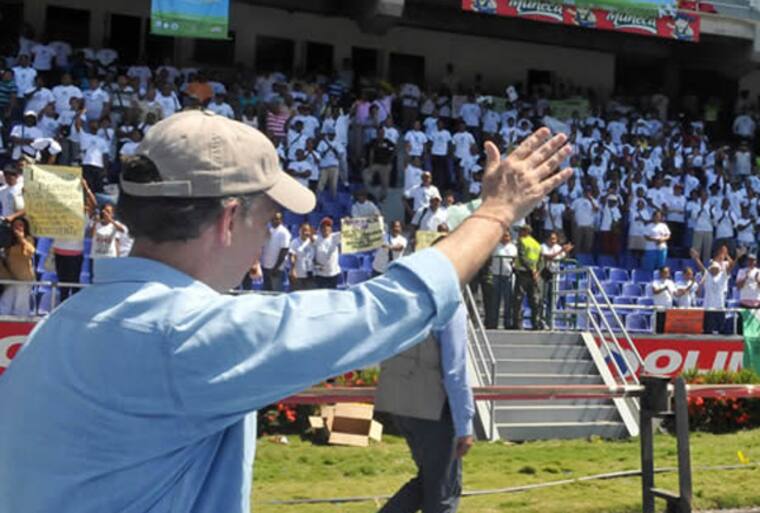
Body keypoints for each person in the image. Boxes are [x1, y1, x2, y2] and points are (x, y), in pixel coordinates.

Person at [0, 111, 572, 513]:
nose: (267, 235)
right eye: (267, 219)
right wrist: (496, 212)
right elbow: (389, 307)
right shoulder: (186, 335)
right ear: (230, 220)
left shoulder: (59, 326)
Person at [375, 303, 474, 513]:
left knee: (431, 481)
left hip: (401, 403)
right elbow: (455, 370)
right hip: (433, 407)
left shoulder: (409, 297)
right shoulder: (451, 305)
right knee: (443, 493)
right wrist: (465, 424)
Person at [691, 247, 740, 334]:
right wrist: (696, 258)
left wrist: (737, 257)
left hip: (719, 307)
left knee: (720, 331)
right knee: (707, 331)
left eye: (716, 268)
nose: (714, 269)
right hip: (708, 308)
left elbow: (731, 267)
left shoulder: (723, 275)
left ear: (719, 269)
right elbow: (701, 267)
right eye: (713, 268)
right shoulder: (707, 275)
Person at [0, 217, 35, 316]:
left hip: (24, 279)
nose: (17, 227)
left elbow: (31, 252)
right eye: (15, 225)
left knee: (20, 308)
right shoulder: (8, 240)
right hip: (10, 279)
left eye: (20, 225)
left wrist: (21, 239)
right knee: (4, 305)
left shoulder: (28, 239)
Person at [540, 232, 572, 329]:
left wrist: (567, 251)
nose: (553, 241)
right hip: (544, 275)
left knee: (553, 298)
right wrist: (561, 250)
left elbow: (563, 258)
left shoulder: (558, 247)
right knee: (544, 299)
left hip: (555, 275)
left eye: (555, 239)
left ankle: (551, 322)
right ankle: (542, 321)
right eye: (551, 238)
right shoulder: (543, 246)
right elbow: (548, 257)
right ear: (547, 239)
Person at [513, 225, 543, 330]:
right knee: (534, 299)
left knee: (518, 299)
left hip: (523, 273)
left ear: (526, 232)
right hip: (533, 275)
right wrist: (537, 271)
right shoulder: (537, 244)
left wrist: (531, 269)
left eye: (520, 231)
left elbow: (522, 257)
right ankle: (536, 323)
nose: (519, 233)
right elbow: (540, 260)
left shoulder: (522, 241)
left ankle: (517, 324)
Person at [485, 231, 517, 329]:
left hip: (508, 275)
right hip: (496, 275)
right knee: (495, 300)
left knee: (508, 301)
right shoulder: (495, 246)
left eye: (507, 236)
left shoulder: (513, 247)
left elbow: (514, 260)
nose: (505, 238)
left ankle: (507, 323)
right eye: (503, 236)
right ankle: (493, 323)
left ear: (510, 237)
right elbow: (490, 259)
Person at [88, 203, 126, 278]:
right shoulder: (97, 223)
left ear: (112, 214)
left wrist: (110, 220)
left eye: (108, 212)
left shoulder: (114, 224)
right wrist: (96, 221)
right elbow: (91, 235)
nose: (105, 213)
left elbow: (122, 230)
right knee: (95, 278)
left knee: (110, 277)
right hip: (97, 258)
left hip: (110, 258)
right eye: (104, 211)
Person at [259, 212, 291, 292]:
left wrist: (276, 268)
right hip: (265, 267)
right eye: (273, 219)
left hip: (276, 269)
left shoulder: (284, 232)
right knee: (266, 293)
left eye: (277, 219)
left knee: (276, 294)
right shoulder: (268, 230)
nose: (274, 220)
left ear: (281, 220)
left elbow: (284, 251)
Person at [313, 217, 341, 289]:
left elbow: (347, 231)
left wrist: (347, 222)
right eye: (323, 226)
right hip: (320, 275)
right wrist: (316, 265)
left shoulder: (335, 237)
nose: (326, 228)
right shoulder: (315, 239)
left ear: (331, 229)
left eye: (328, 226)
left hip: (333, 274)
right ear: (320, 229)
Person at [288, 223, 315, 291]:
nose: (305, 232)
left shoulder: (312, 241)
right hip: (298, 274)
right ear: (299, 231)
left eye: (307, 230)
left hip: (310, 274)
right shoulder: (294, 242)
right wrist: (293, 270)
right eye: (304, 230)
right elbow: (292, 256)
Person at [651, 266, 676, 333]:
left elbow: (675, 293)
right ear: (660, 273)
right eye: (665, 272)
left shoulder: (671, 282)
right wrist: (664, 288)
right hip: (659, 309)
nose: (666, 273)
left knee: (667, 330)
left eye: (667, 272)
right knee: (658, 329)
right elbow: (655, 291)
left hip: (668, 308)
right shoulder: (656, 282)